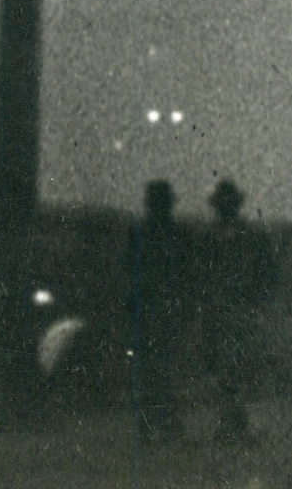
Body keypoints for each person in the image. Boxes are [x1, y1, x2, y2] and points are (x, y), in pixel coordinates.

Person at [129, 180, 183, 441]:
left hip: (155, 306)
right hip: (156, 306)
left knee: (154, 367)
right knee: (159, 367)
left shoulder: (144, 232)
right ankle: (161, 422)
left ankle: (156, 422)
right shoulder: (173, 234)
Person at [202, 178, 253, 447]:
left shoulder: (248, 236)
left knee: (234, 366)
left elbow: (264, 273)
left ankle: (233, 422)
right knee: (220, 367)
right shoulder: (210, 236)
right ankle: (233, 421)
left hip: (238, 309)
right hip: (217, 308)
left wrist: (253, 299)